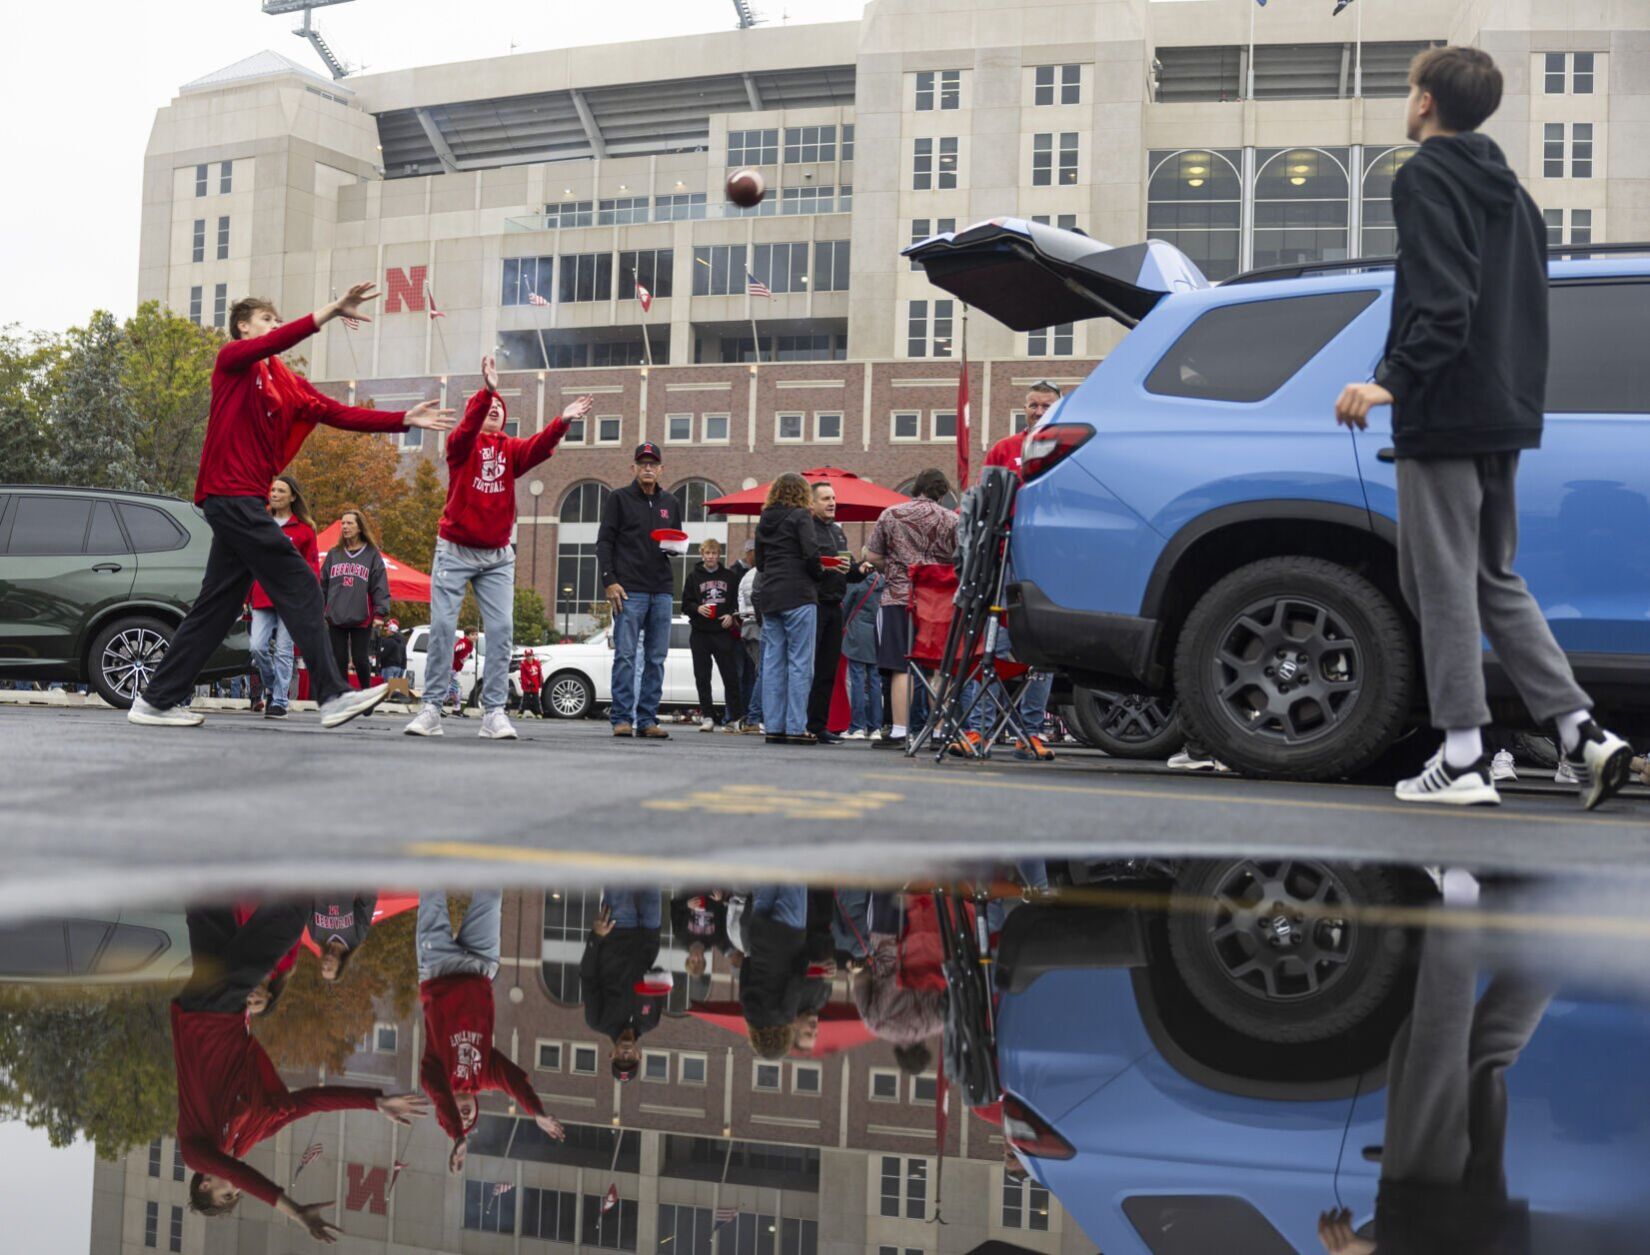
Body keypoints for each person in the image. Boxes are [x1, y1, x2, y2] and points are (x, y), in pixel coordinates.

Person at [1333, 46, 1631, 810]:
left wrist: (1387, 381)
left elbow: (1443, 303)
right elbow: (1522, 312)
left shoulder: (1424, 177)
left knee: (1439, 580)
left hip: (1446, 411)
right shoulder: (1517, 196)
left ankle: (1462, 754)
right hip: (1504, 414)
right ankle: (1582, 733)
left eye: (1409, 91)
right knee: (1489, 577)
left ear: (1425, 101)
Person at [129, 283, 453, 728]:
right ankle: (333, 694)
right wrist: (331, 311)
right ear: (243, 327)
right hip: (231, 495)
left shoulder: (282, 381)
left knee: (216, 608)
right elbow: (280, 341)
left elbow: (334, 411)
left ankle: (155, 700)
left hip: (240, 502)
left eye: (276, 321)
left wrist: (401, 420)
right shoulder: (233, 362)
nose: (275, 327)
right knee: (301, 583)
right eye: (266, 320)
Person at [1316, 873, 1549, 1255]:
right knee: (1433, 1058)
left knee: (1480, 1057)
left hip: (1480, 1233)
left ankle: (1558, 929)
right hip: (1425, 1220)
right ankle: (1461, 898)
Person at [174, 903, 427, 1233]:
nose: (235, 1186)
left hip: (208, 1016)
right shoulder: (252, 1132)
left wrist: (293, 1211)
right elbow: (306, 1104)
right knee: (209, 905)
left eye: (228, 1193)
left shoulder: (196, 1153)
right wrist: (373, 1101)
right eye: (237, 1194)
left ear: (204, 1184)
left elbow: (242, 1176)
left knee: (290, 918)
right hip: (226, 1012)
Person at [404, 356, 590, 741]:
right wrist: (487, 390)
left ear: (504, 420)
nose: (492, 412)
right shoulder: (461, 446)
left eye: (498, 410)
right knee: (441, 627)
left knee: (502, 629)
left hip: (496, 556)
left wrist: (562, 421)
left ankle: (494, 713)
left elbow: (539, 447)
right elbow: (465, 427)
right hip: (454, 549)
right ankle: (432, 709)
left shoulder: (512, 450)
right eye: (487, 409)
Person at [417, 890, 567, 1174]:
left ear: (445, 1110)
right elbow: (513, 1082)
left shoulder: (434, 1075)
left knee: (432, 892)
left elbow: (439, 1095)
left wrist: (458, 1136)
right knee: (492, 896)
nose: (463, 1118)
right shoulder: (484, 1075)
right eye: (468, 1121)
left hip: (438, 966)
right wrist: (536, 1112)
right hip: (480, 965)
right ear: (476, 1108)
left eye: (456, 1119)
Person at [951, 385, 1062, 761]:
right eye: (1033, 404)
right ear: (1024, 408)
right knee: (993, 645)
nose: (1038, 410)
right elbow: (984, 500)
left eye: (1046, 405)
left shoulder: (1069, 448)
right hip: (1003, 558)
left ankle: (1030, 731)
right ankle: (978, 729)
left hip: (1048, 557)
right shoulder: (1004, 449)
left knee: (1043, 647)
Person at [865, 468, 960, 750]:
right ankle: (940, 732)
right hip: (938, 601)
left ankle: (898, 731)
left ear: (915, 488)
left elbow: (872, 555)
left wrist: (894, 569)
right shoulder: (953, 520)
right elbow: (961, 558)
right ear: (942, 493)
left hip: (898, 597)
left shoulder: (891, 514)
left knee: (900, 665)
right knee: (939, 667)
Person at [597, 442, 683, 739]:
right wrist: (609, 580)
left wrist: (676, 545)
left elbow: (675, 542)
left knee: (657, 658)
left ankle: (647, 719)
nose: (648, 468)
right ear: (633, 467)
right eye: (642, 463)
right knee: (625, 655)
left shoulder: (670, 502)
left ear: (661, 469)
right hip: (628, 589)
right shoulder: (618, 499)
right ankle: (622, 718)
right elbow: (604, 542)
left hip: (661, 589)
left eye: (653, 464)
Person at [755, 473, 823, 745]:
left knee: (772, 663)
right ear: (802, 494)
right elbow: (810, 552)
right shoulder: (800, 516)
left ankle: (773, 726)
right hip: (798, 594)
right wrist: (819, 575)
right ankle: (796, 726)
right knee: (800, 663)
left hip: (771, 594)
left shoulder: (765, 518)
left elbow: (759, 562)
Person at [247, 475, 318, 721]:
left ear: (292, 496)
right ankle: (271, 685)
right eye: (273, 489)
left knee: (285, 652)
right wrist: (245, 595)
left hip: (291, 599)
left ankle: (279, 701)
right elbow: (249, 562)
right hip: (262, 595)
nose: (274, 494)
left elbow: (312, 568)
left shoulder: (305, 531)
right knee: (257, 647)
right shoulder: (259, 523)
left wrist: (311, 598)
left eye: (280, 490)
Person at [806, 481, 870, 745]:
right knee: (806, 668)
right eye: (825, 499)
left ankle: (819, 725)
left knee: (827, 670)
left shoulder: (838, 531)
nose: (832, 502)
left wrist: (860, 568)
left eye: (833, 498)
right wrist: (826, 568)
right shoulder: (807, 529)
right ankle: (799, 723)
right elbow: (807, 565)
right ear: (811, 503)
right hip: (814, 604)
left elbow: (848, 567)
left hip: (835, 607)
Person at [581, 891, 665, 1081]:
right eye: (630, 1059)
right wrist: (661, 979)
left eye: (620, 1058)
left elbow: (588, 977)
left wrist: (596, 937)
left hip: (616, 930)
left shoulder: (598, 1021)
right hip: (648, 935)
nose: (625, 1055)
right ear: (639, 1055)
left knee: (620, 867)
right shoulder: (650, 1021)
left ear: (612, 1054)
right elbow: (658, 975)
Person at [321, 508, 390, 697]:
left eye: (349, 523)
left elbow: (380, 585)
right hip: (335, 615)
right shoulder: (334, 554)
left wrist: (380, 613)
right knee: (339, 659)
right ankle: (344, 697)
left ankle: (366, 694)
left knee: (360, 659)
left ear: (360, 527)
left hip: (361, 616)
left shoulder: (371, 554)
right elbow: (323, 584)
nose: (345, 526)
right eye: (343, 523)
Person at [739, 885, 812, 1059]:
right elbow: (745, 967)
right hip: (760, 934)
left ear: (784, 1039)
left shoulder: (785, 1015)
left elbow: (796, 981)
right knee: (769, 870)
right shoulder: (748, 1011)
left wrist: (805, 957)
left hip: (788, 935)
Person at [680, 538, 744, 732]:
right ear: (702, 554)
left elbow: (737, 603)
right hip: (700, 633)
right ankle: (707, 716)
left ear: (719, 555)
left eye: (714, 553)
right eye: (707, 553)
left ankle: (735, 718)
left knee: (730, 676)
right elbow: (685, 604)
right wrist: (697, 608)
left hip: (722, 633)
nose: (711, 557)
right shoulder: (693, 577)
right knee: (702, 676)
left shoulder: (730, 576)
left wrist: (731, 616)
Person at [841, 570, 884, 738]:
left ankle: (857, 726)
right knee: (875, 681)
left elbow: (846, 606)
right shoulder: (886, 583)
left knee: (857, 680)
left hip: (857, 634)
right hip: (877, 633)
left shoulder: (860, 583)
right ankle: (876, 728)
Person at [309, 892, 379, 983]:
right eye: (329, 969)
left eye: (323, 968)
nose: (326, 965)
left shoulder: (316, 936)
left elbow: (305, 904)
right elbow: (367, 902)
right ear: (340, 965)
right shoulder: (356, 939)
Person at [736, 559, 765, 733]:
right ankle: (754, 717)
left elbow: (741, 601)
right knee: (765, 673)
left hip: (747, 626)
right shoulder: (763, 573)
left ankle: (754, 717)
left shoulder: (747, 575)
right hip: (759, 624)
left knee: (760, 672)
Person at [448, 629, 473, 717]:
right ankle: (437, 705)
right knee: (456, 689)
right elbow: (454, 650)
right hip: (452, 669)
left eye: (476, 634)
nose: (475, 637)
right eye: (473, 634)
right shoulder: (463, 643)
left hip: (455, 670)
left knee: (455, 689)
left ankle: (456, 710)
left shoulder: (470, 645)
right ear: (467, 635)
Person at [377, 618, 407, 682]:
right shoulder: (401, 639)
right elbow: (403, 654)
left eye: (387, 630)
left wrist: (378, 655)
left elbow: (384, 653)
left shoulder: (390, 641)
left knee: (386, 686)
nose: (386, 631)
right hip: (398, 666)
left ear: (391, 631)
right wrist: (403, 667)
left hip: (389, 666)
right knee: (394, 686)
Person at [519, 648, 544, 718]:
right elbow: (523, 676)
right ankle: (521, 712)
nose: (529, 657)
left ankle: (539, 713)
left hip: (535, 684)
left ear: (533, 656)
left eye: (530, 655)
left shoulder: (537, 663)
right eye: (527, 656)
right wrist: (528, 682)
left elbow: (539, 673)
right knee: (525, 700)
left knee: (536, 700)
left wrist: (541, 681)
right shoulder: (523, 664)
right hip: (527, 686)